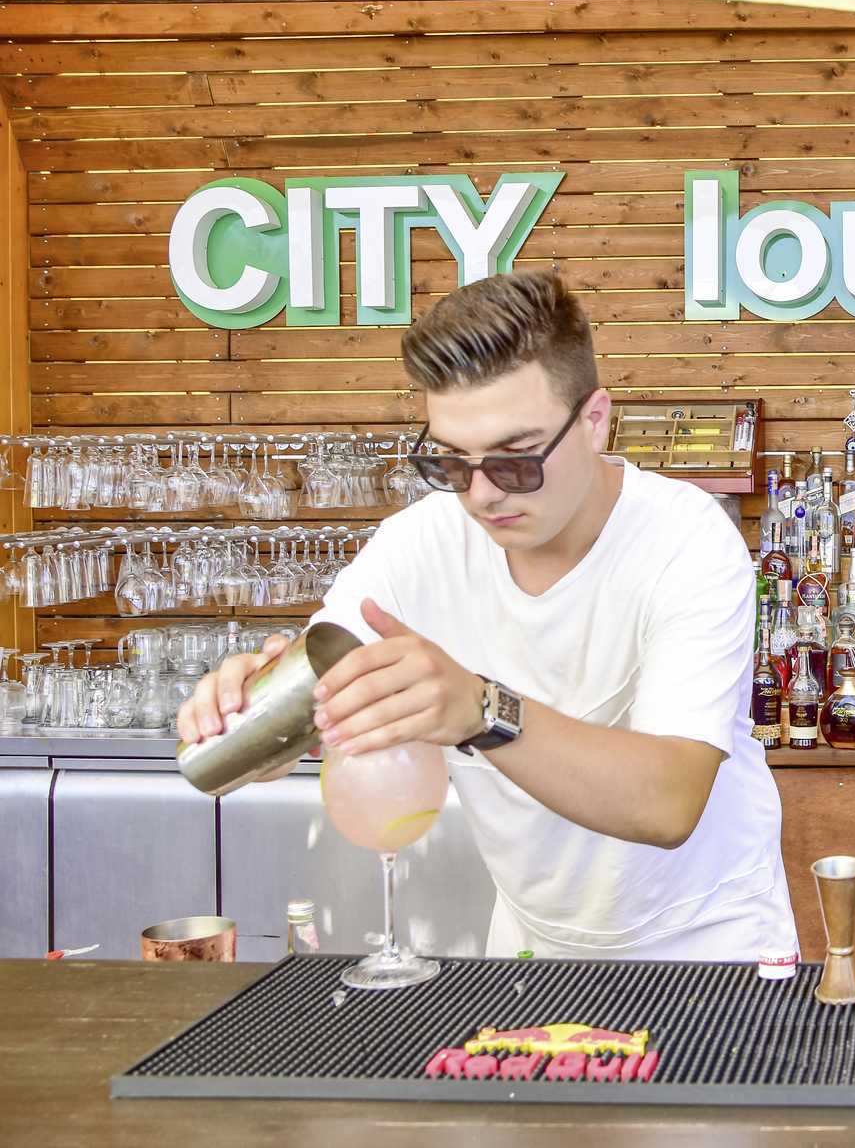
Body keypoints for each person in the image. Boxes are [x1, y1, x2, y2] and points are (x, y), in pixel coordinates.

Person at [178, 271, 798, 963]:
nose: (481, 494)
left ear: (595, 420)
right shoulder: (422, 544)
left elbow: (668, 802)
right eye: (451, 461)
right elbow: (309, 707)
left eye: (516, 460)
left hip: (709, 945)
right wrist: (244, 716)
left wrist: (481, 709)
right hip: (530, 946)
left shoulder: (685, 542)